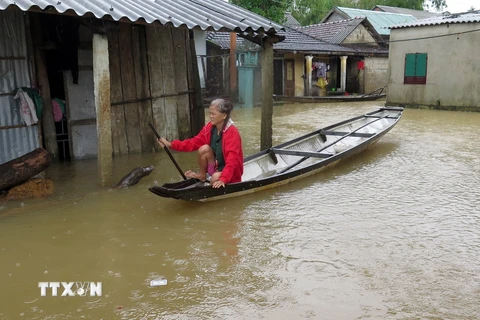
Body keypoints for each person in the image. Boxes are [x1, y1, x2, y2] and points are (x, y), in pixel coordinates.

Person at [158, 98, 243, 188]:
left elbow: (232, 161)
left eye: (213, 114)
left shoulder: (232, 132)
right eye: (210, 113)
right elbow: (193, 143)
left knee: (214, 178)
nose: (210, 116)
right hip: (216, 167)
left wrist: (223, 179)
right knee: (204, 149)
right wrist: (171, 145)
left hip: (231, 174)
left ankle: (216, 181)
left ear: (224, 115)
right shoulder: (209, 128)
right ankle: (202, 176)